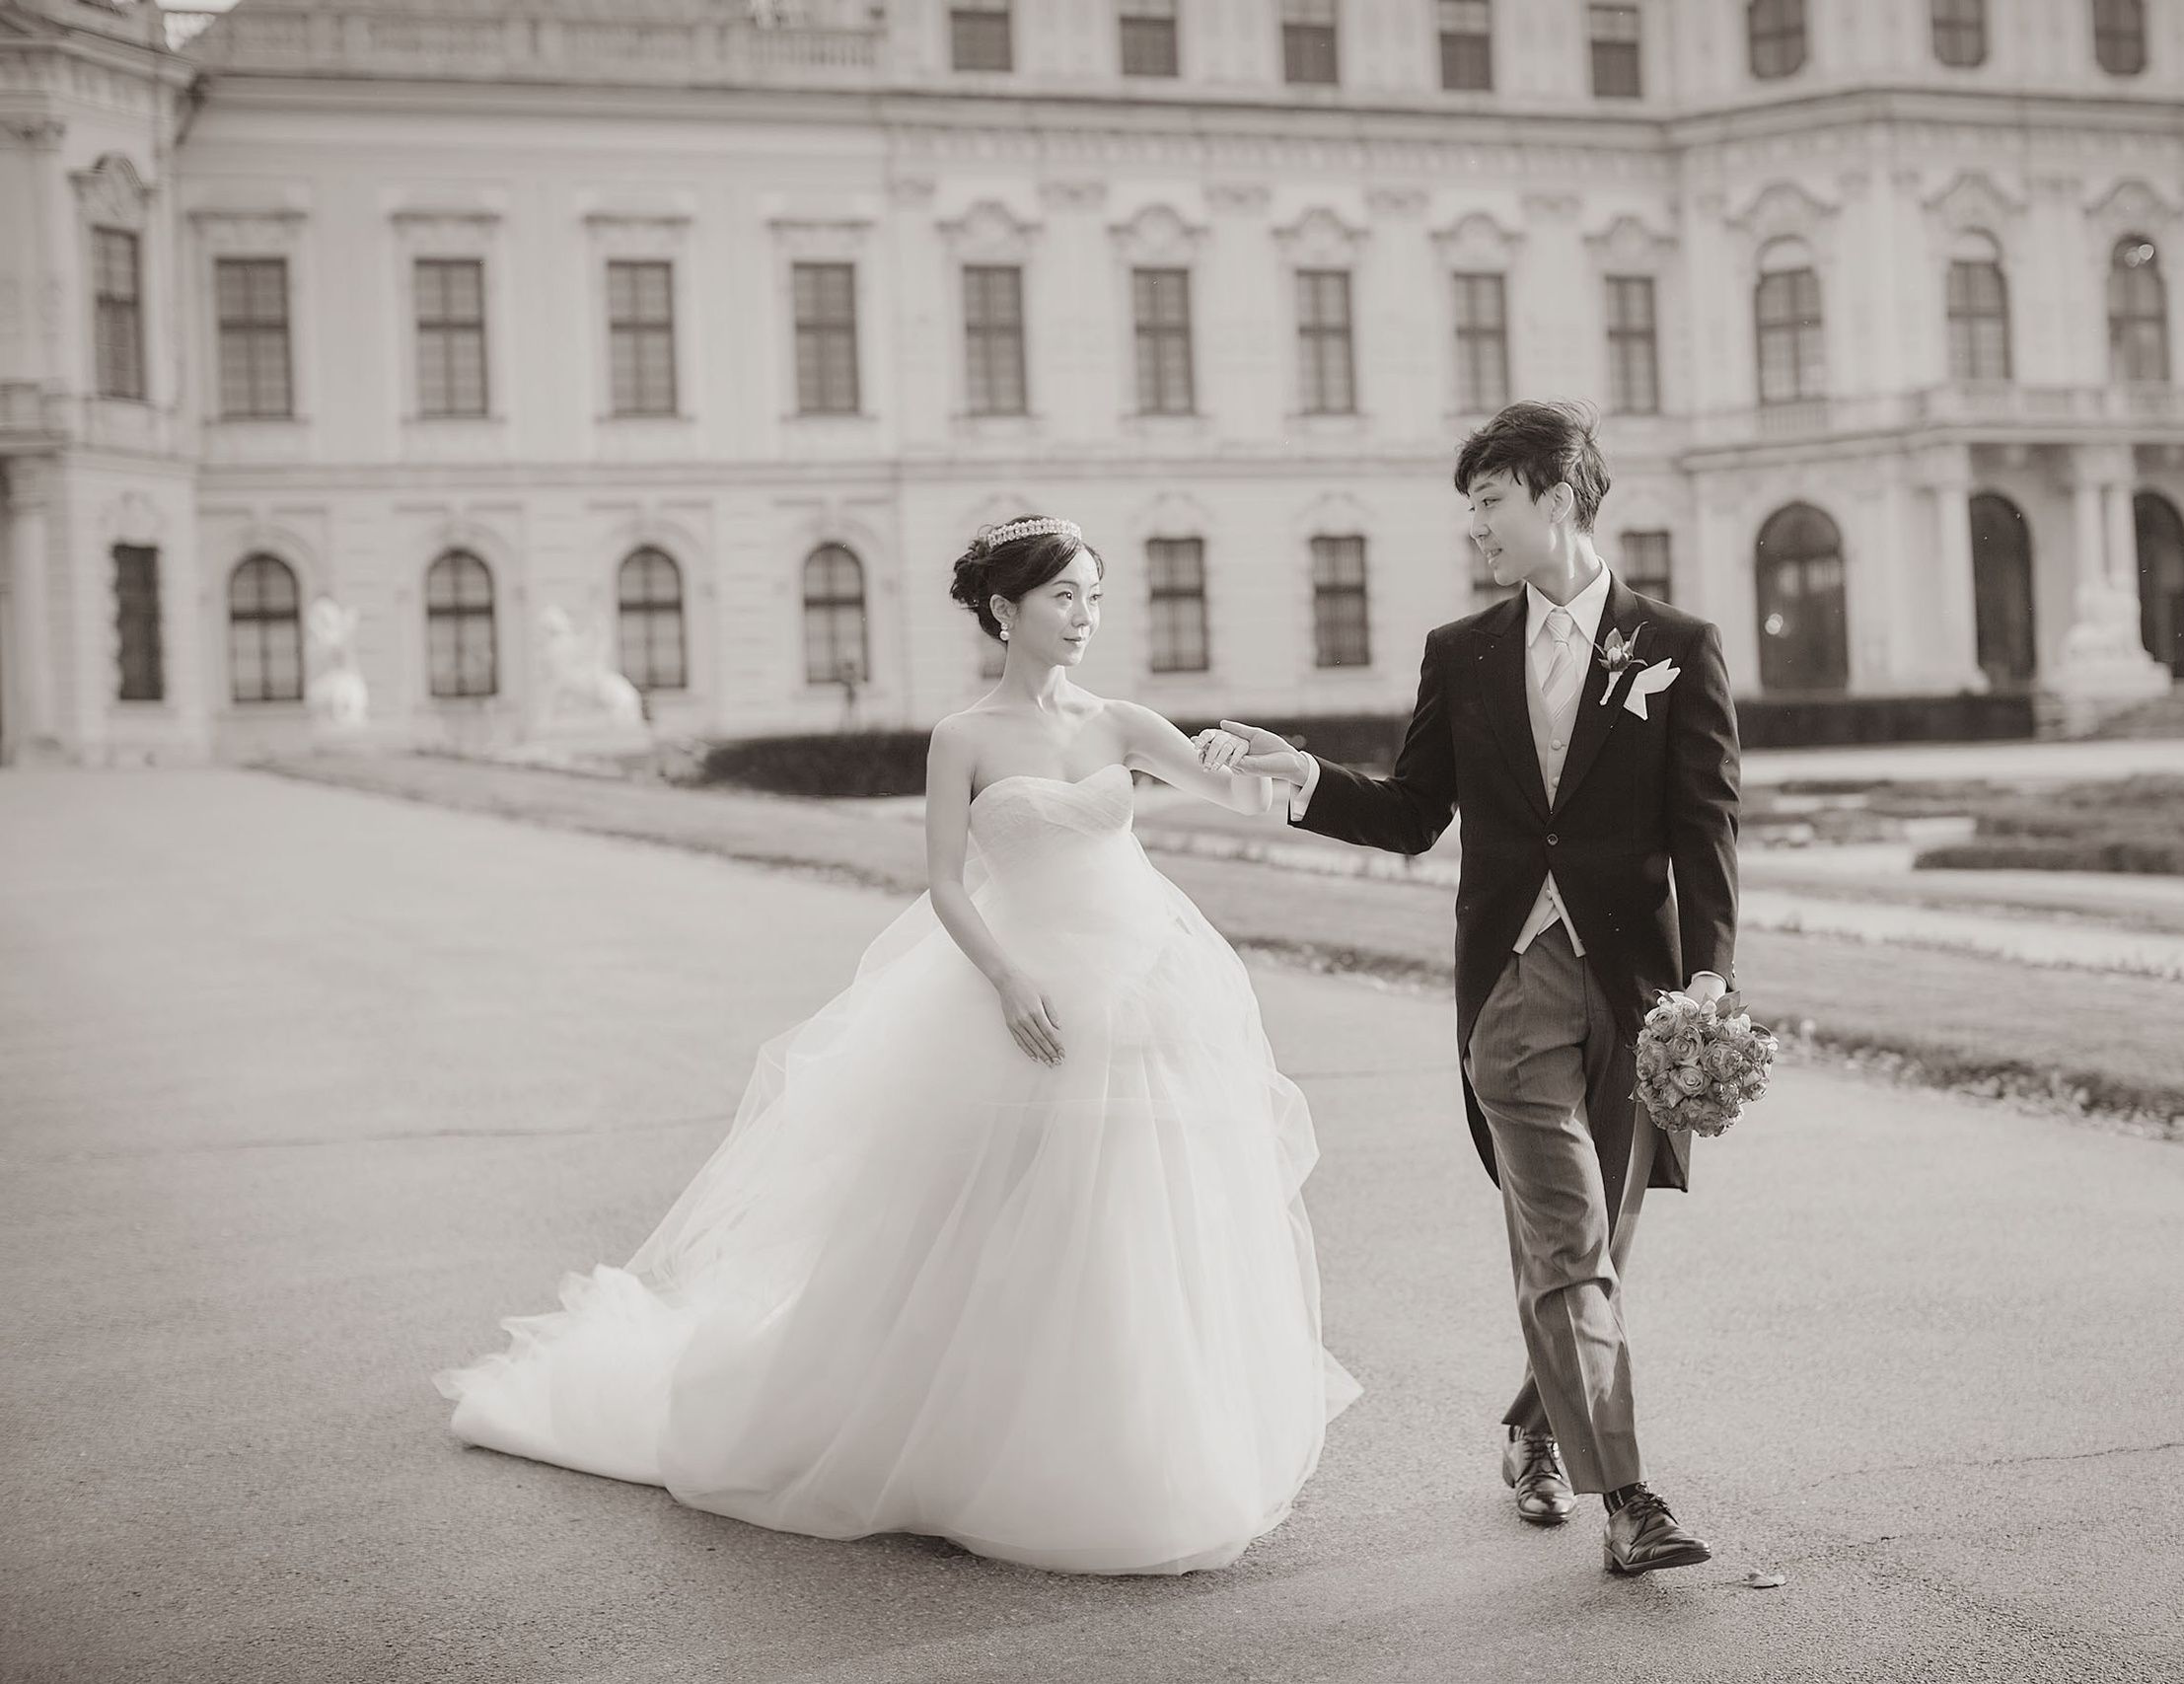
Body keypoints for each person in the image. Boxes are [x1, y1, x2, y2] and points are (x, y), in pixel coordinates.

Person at [435, 515, 1356, 1575]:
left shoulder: (1122, 723)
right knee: (998, 1219)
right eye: (1064, 597)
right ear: (1004, 612)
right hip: (1023, 994)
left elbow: (1232, 788)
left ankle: (1132, 1441)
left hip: (1143, 989)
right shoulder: (963, 737)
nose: (1084, 616)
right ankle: (959, 1435)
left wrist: (1275, 766)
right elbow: (945, 882)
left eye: (1094, 597)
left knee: (1134, 1215)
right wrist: (1008, 980)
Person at [1207, 402, 1741, 1576]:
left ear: (1557, 497)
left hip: (1639, 1000)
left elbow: (1705, 834)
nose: (1478, 531)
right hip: (1510, 993)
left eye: (1491, 503)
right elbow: (1410, 812)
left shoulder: (1677, 647)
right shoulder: (1463, 653)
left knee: (1597, 1244)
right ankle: (1632, 1502)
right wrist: (1296, 774)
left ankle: (1533, 1426)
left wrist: (1708, 986)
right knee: (1565, 1240)